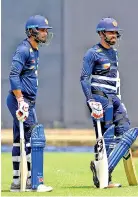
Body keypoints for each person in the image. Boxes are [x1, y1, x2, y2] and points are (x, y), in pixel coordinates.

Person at [80, 17, 138, 188]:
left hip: (114, 97)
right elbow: (84, 78)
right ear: (101, 34)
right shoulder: (92, 53)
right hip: (100, 97)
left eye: (115, 33)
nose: (114, 35)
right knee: (105, 136)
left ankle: (102, 171)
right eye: (110, 32)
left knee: (125, 132)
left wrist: (120, 98)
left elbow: (116, 79)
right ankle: (105, 177)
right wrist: (90, 100)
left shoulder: (114, 53)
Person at [7, 15, 54, 192]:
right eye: (41, 30)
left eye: (45, 30)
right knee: (34, 138)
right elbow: (13, 75)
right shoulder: (23, 50)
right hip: (19, 101)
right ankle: (34, 182)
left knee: (19, 141)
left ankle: (17, 181)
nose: (44, 33)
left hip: (28, 102)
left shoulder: (35, 51)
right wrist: (20, 100)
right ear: (31, 31)